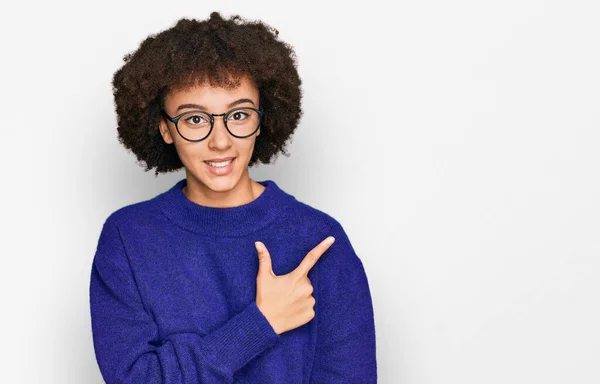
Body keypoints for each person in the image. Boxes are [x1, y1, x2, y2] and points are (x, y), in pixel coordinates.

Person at [89, 11, 377, 383]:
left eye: (238, 115)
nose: (220, 141)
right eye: (195, 119)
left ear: (263, 117)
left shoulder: (318, 239)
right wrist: (260, 324)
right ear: (164, 127)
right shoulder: (129, 238)